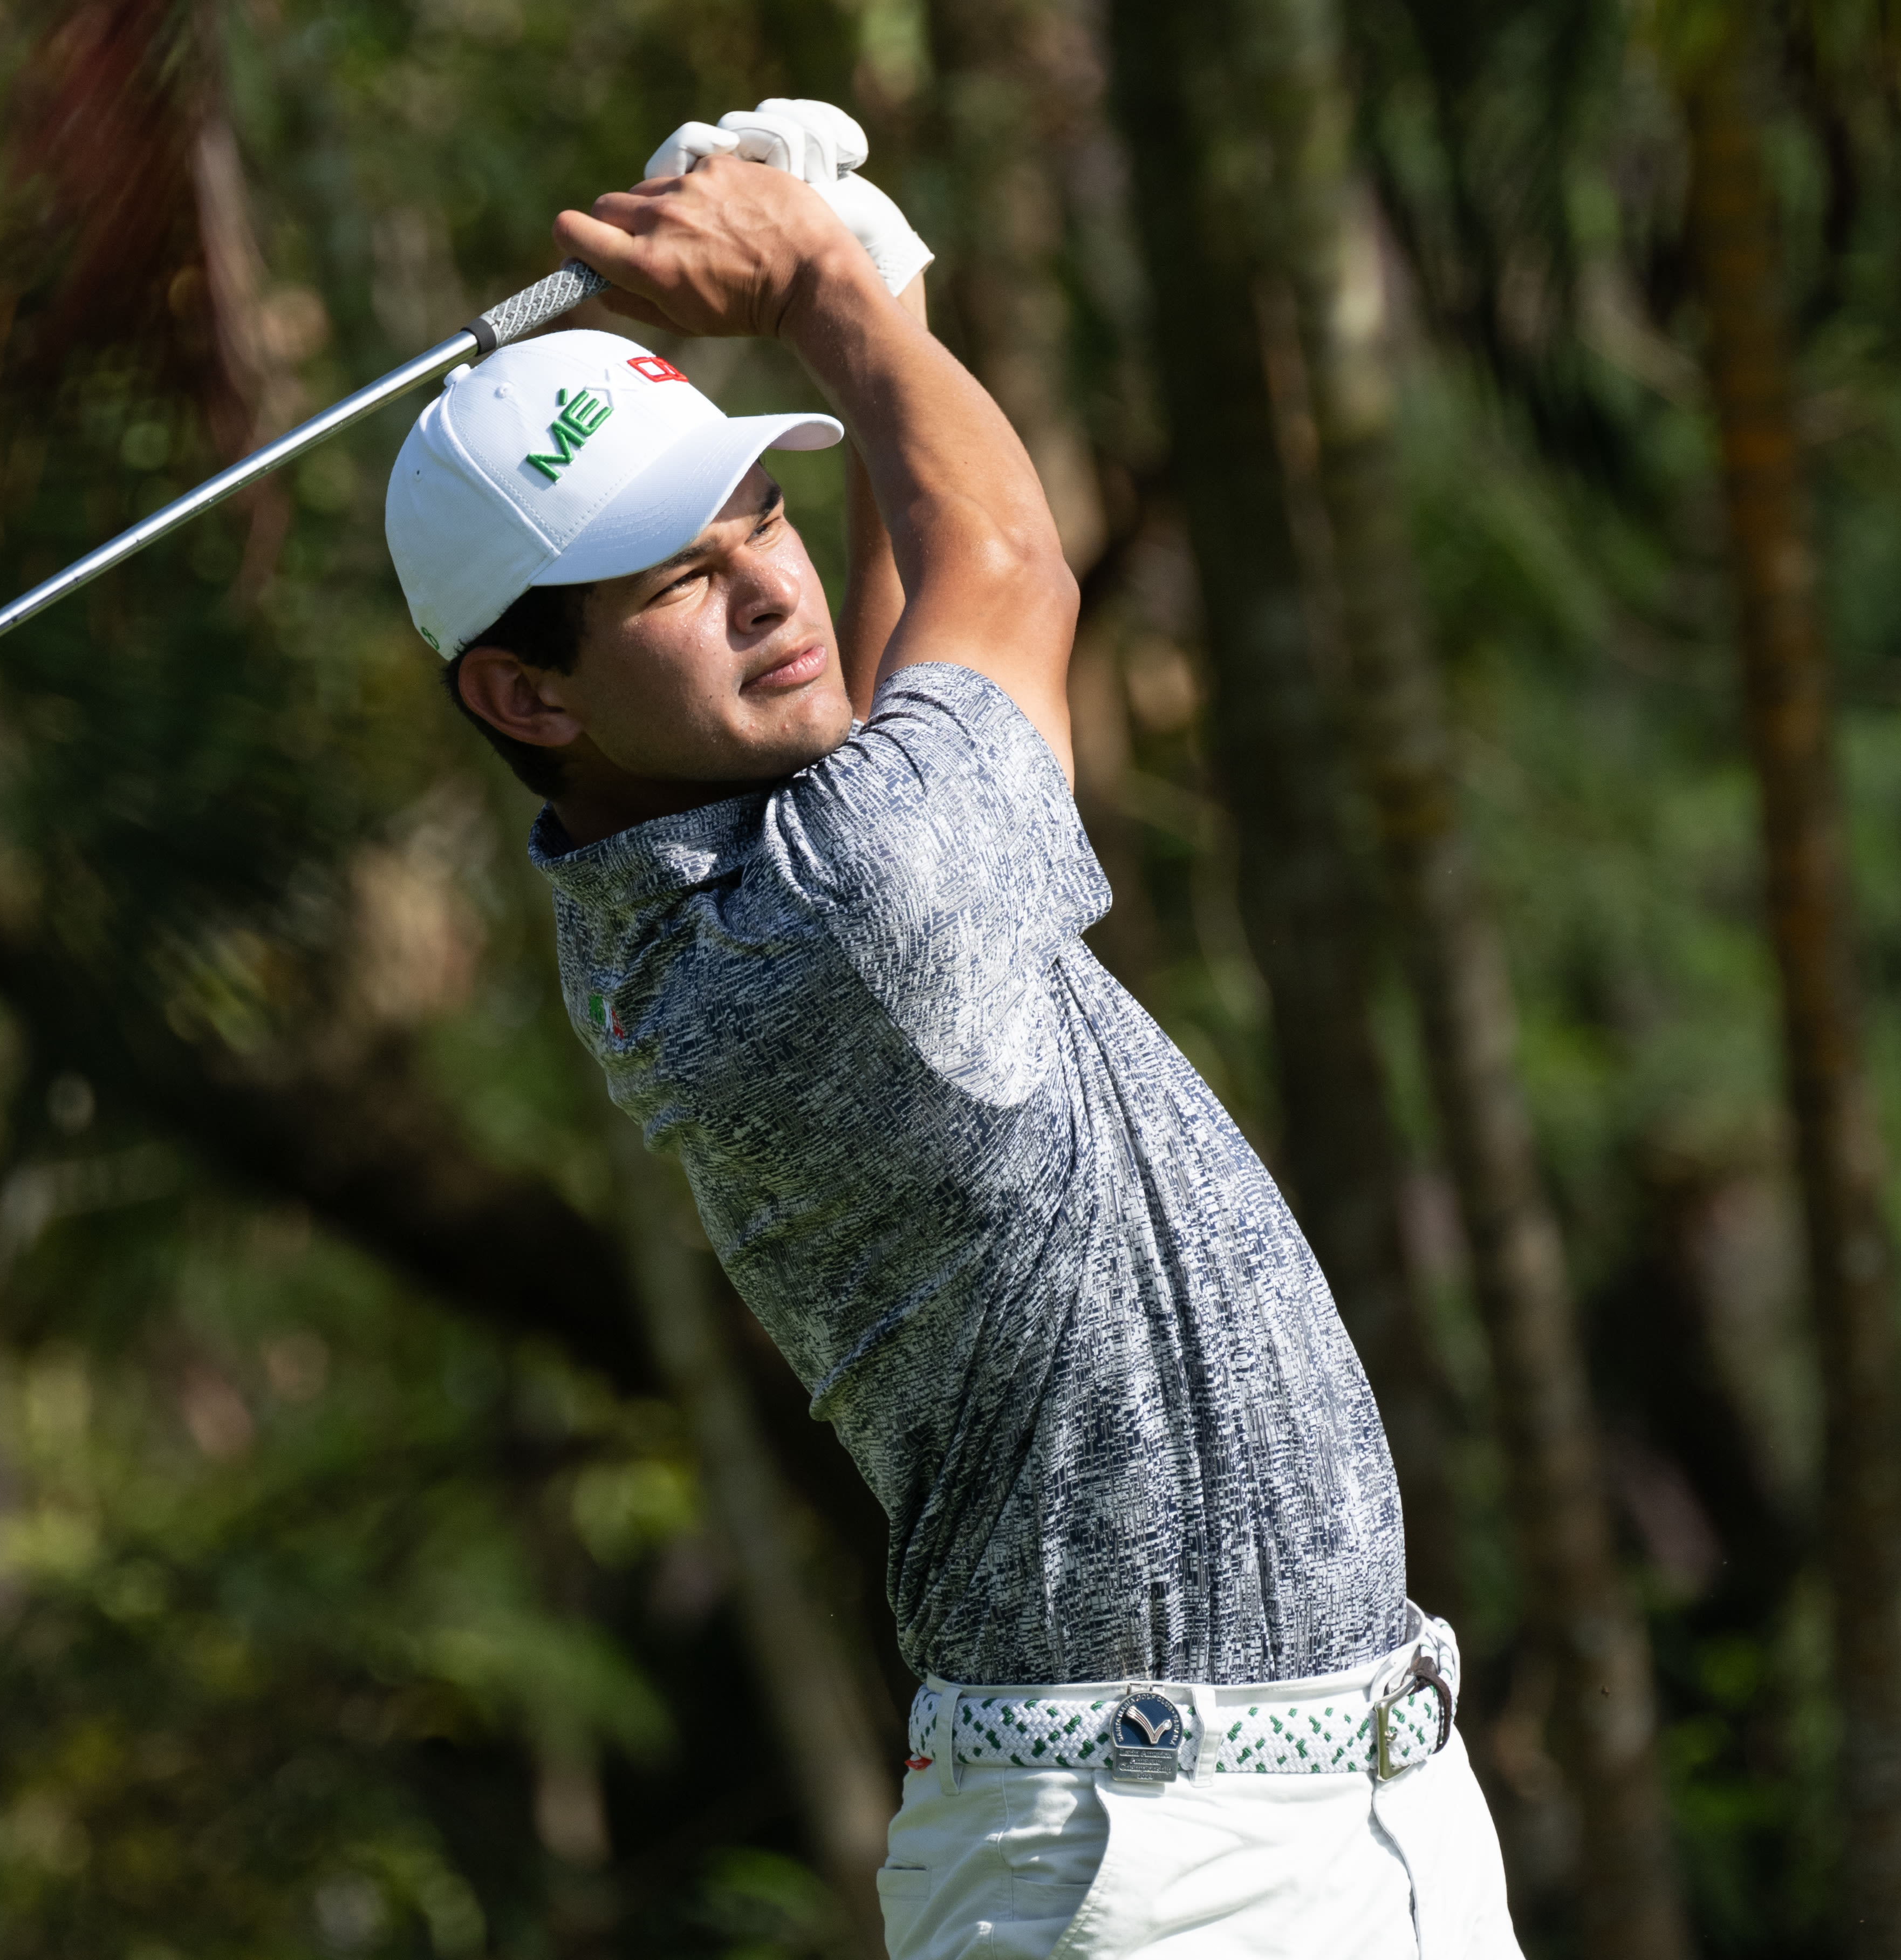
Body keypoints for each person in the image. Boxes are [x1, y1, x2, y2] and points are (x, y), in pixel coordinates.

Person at [382, 99, 1523, 1960]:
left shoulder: (724, 857)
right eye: (678, 577)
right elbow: (1006, 574)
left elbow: (903, 666)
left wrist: (882, 279)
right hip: (1149, 1870)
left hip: (1360, 1807)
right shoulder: (818, 936)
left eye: (760, 512)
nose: (772, 583)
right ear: (524, 691)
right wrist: (831, 289)